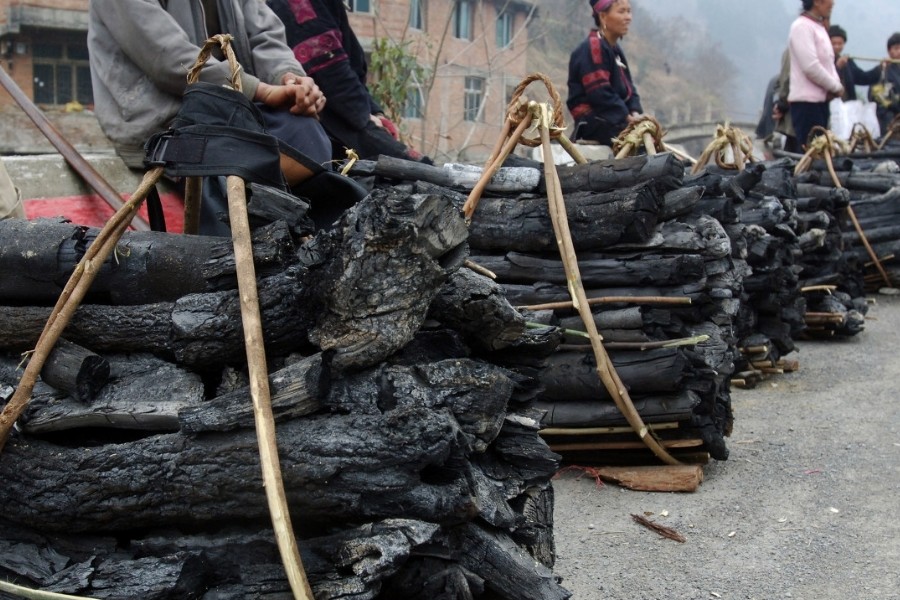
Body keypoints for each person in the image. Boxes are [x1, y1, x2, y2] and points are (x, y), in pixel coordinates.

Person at [87, 0, 332, 187]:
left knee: (306, 132)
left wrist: (288, 78)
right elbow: (165, 54)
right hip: (164, 118)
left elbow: (264, 34)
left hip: (233, 107)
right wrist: (260, 90)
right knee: (233, 171)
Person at [266, 0, 428, 163]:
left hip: (345, 117)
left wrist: (376, 113)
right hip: (327, 126)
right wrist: (365, 118)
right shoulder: (299, 5)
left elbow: (351, 74)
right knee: (422, 169)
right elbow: (333, 77)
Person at [566, 0, 643, 147]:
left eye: (629, 11)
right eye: (621, 12)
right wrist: (626, 116)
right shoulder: (593, 48)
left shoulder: (615, 50)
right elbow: (599, 93)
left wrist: (635, 112)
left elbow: (630, 89)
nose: (628, 17)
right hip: (595, 123)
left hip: (616, 120)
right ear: (602, 16)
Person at [787, 0, 844, 150]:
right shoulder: (802, 27)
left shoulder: (818, 27)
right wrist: (835, 86)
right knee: (810, 154)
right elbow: (811, 67)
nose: (833, 3)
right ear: (817, 2)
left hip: (821, 102)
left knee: (821, 153)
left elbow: (828, 64)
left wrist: (834, 88)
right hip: (806, 104)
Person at [829, 25, 881, 101]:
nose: (837, 46)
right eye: (833, 44)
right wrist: (838, 67)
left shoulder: (848, 62)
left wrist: (880, 68)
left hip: (848, 106)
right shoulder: (822, 60)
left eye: (840, 44)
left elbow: (863, 78)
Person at [869, 32, 900, 133]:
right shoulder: (883, 69)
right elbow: (874, 94)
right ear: (889, 51)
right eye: (896, 48)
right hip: (889, 116)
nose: (899, 52)